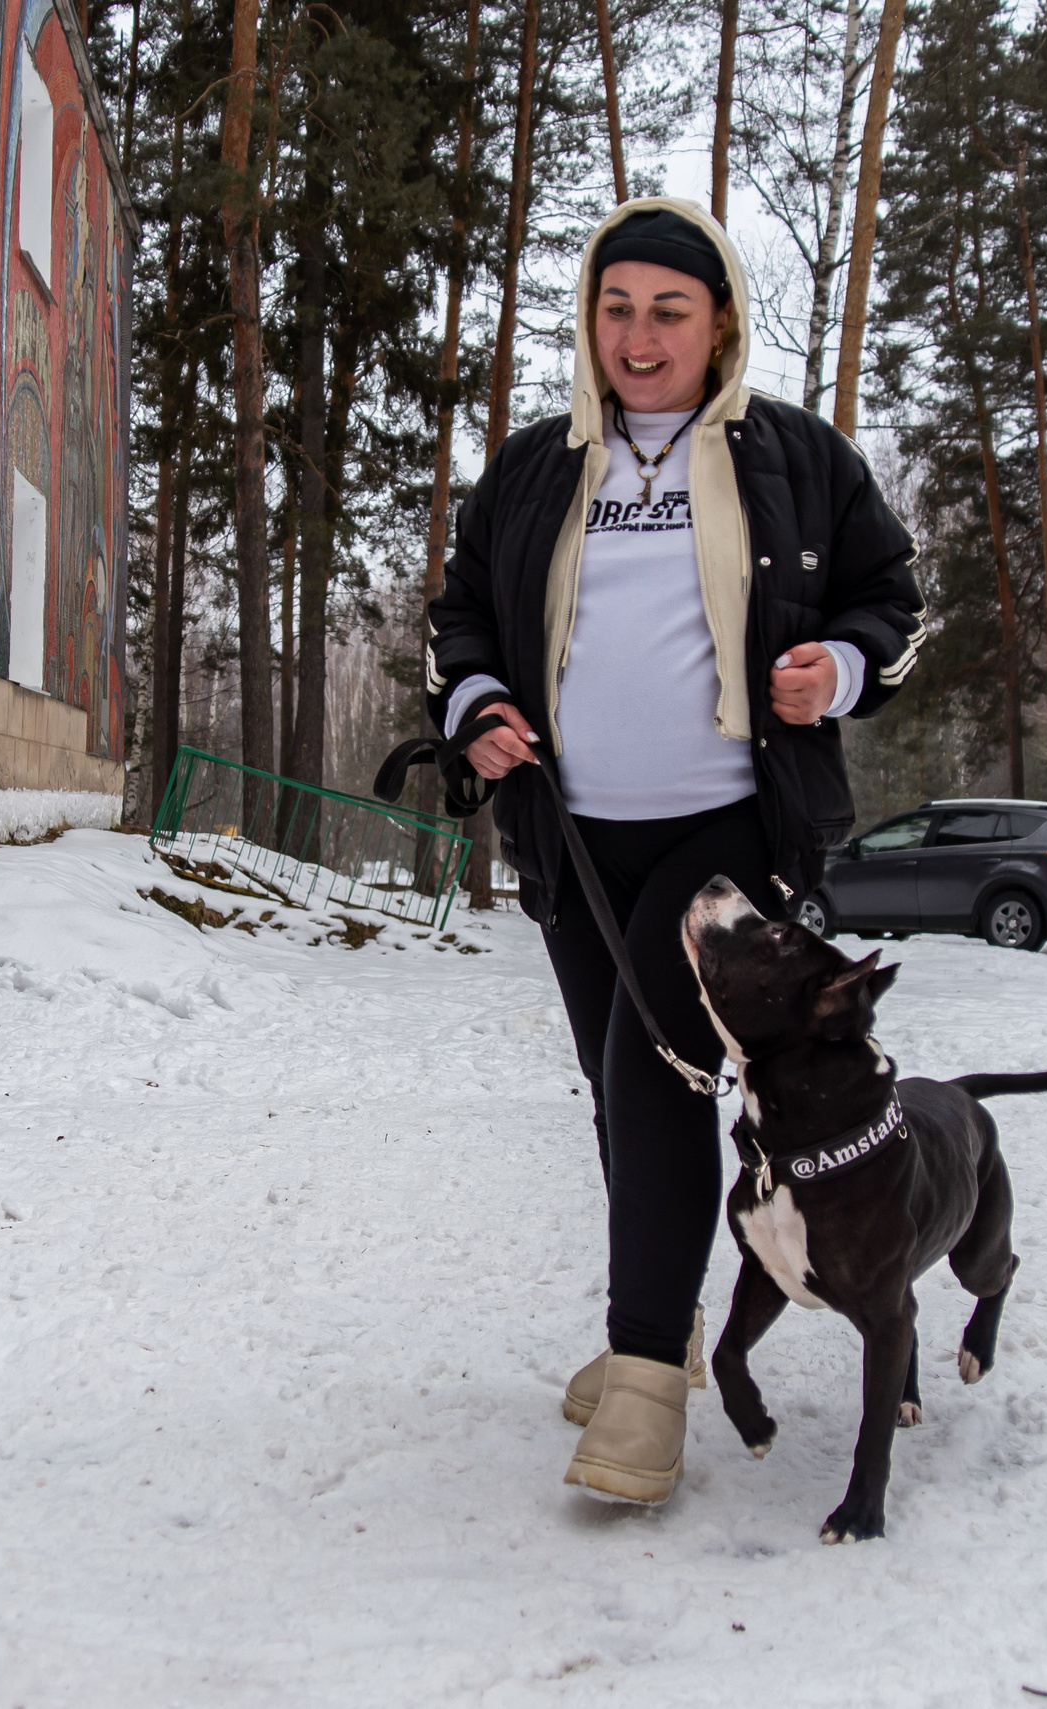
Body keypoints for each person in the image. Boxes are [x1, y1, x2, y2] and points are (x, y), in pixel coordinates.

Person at [426, 199, 924, 1505]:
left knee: (653, 1072)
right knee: (617, 1081)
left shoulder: (795, 457)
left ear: (720, 323)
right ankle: (667, 1317)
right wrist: (476, 707)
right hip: (572, 833)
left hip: (732, 837)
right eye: (616, 308)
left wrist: (846, 665)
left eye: (669, 311)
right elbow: (464, 615)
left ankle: (646, 1377)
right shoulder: (537, 469)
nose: (639, 338)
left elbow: (892, 596)